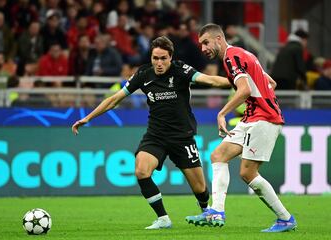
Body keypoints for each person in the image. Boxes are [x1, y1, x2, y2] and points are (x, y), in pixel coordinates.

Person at [72, 36, 230, 230]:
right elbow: (115, 99)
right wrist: (88, 117)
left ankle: (206, 210)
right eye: (155, 58)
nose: (159, 63)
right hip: (156, 136)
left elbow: (210, 80)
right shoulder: (143, 74)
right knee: (141, 170)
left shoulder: (181, 70)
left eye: (163, 58)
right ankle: (163, 218)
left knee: (200, 189)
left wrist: (238, 80)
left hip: (182, 136)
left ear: (171, 57)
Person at [185, 23, 297, 233]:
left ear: (219, 39)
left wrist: (222, 113)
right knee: (218, 155)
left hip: (263, 119)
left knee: (247, 173)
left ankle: (285, 218)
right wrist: (263, 97)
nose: (203, 48)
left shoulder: (231, 57)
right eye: (201, 44)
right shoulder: (242, 54)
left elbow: (244, 90)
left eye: (206, 42)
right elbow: (270, 82)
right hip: (253, 117)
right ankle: (216, 211)